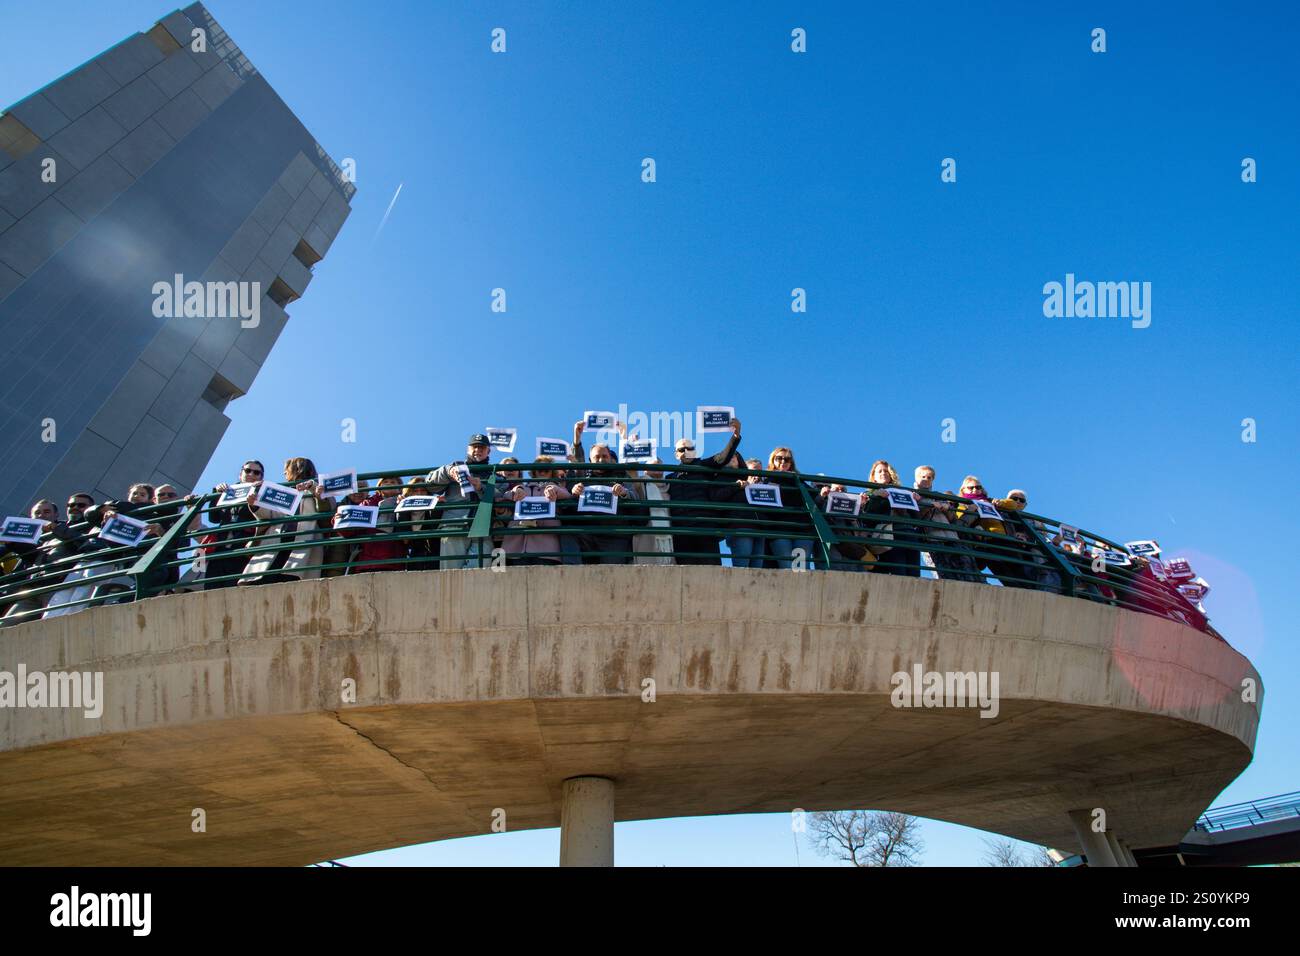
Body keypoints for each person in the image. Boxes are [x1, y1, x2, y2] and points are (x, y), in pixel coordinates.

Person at [239, 457, 337, 584]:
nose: (284, 473)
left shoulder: (319, 487)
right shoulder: (283, 489)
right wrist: (254, 504)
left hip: (303, 540)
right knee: (267, 578)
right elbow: (270, 515)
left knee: (293, 579)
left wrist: (313, 487)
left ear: (297, 469)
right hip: (278, 539)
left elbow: (328, 509)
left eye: (287, 470)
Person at [664, 417, 742, 564]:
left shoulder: (705, 466)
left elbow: (722, 457)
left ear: (695, 451)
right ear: (676, 454)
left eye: (689, 448)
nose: (686, 451)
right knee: (684, 574)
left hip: (705, 528)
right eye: (681, 449)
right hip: (681, 530)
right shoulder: (669, 476)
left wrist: (735, 437)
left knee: (711, 571)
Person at [424, 434, 493, 569]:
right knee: (450, 574)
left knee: (480, 573)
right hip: (454, 525)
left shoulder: (495, 474)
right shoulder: (455, 467)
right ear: (468, 449)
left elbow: (500, 495)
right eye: (474, 446)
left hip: (484, 528)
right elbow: (430, 484)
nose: (477, 450)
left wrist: (481, 487)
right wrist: (448, 472)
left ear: (488, 451)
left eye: (482, 447)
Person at [569, 441, 641, 564]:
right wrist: (574, 492)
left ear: (610, 458)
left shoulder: (622, 476)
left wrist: (624, 492)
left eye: (604, 456)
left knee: (613, 576)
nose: (601, 460)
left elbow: (635, 497)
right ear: (590, 460)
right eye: (597, 457)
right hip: (587, 536)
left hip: (615, 536)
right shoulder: (582, 479)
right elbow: (569, 504)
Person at [202, 460, 269, 590]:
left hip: (243, 548)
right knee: (211, 587)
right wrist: (217, 493)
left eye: (256, 472)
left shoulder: (262, 494)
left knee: (234, 587)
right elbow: (214, 518)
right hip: (220, 547)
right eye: (247, 470)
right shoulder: (229, 491)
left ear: (261, 477)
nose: (251, 474)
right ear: (240, 473)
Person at [912, 465, 981, 583]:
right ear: (916, 478)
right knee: (946, 574)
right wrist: (929, 507)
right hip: (933, 540)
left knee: (967, 568)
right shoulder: (912, 495)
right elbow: (914, 517)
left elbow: (953, 520)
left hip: (952, 538)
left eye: (929, 477)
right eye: (923, 476)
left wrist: (947, 509)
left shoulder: (939, 495)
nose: (926, 479)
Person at [502, 456, 572, 565]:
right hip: (515, 548)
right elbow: (505, 495)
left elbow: (568, 496)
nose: (543, 472)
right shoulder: (523, 487)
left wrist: (555, 489)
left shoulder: (556, 488)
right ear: (534, 471)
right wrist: (516, 491)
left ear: (552, 472)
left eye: (546, 470)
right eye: (540, 469)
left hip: (546, 549)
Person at [765, 446, 818, 569]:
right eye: (779, 458)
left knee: (801, 569)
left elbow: (813, 497)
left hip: (802, 529)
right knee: (787, 568)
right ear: (773, 460)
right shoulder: (766, 478)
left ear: (791, 463)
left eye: (787, 459)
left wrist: (824, 494)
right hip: (779, 529)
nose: (783, 462)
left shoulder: (797, 479)